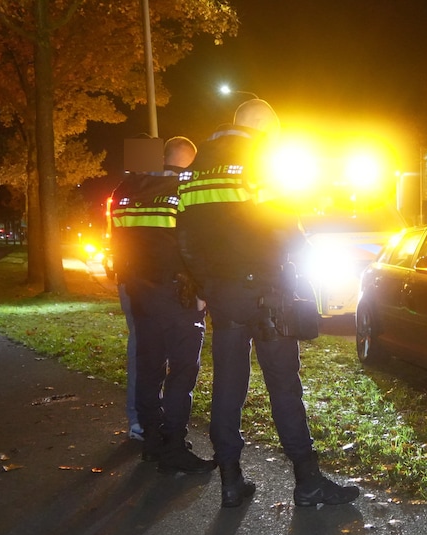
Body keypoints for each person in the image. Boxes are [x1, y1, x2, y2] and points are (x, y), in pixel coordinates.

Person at [177, 98, 359, 508]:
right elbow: (284, 227)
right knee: (283, 384)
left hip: (223, 293)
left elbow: (184, 235)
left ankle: (230, 480)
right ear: (264, 129)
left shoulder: (194, 169)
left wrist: (205, 282)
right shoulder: (263, 161)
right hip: (267, 293)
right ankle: (308, 481)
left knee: (227, 384)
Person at [109, 136, 213, 475]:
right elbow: (195, 243)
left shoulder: (126, 189)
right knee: (182, 370)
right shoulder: (185, 188)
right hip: (178, 293)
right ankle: (175, 447)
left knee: (149, 366)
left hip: (139, 291)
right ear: (188, 159)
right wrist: (203, 289)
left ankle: (151, 442)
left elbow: (119, 241)